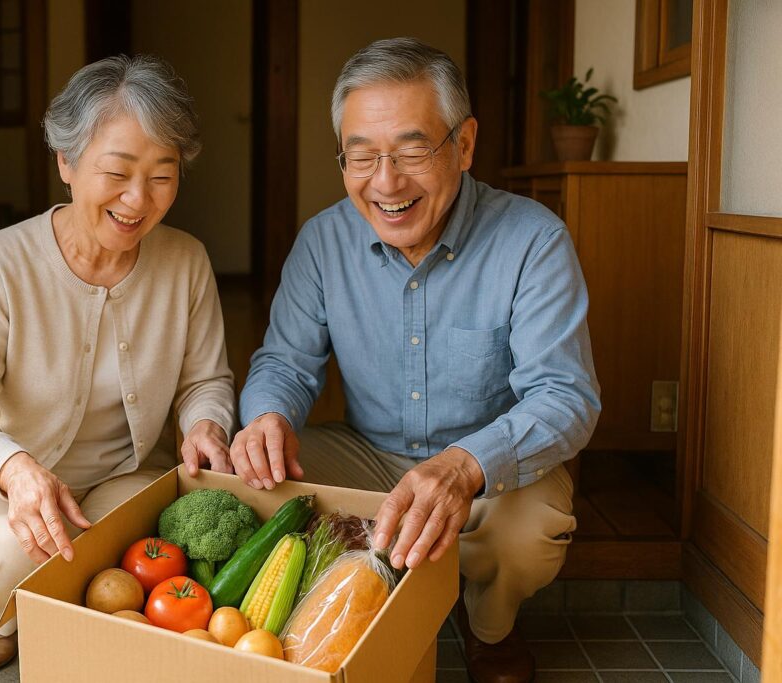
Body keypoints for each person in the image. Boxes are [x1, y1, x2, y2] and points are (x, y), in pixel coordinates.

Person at [231, 38, 600, 682]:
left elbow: (566, 396)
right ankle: (312, 628)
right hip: (366, 450)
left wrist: (463, 466)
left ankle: (489, 627)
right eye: (362, 156)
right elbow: (286, 363)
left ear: (464, 144)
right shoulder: (323, 240)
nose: (386, 182)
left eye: (411, 150)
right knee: (251, 484)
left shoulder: (533, 239)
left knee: (530, 531)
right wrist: (266, 416)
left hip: (483, 465)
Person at [0, 55, 235, 671]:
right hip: (0, 482)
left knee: (170, 545)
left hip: (121, 476)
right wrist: (15, 469)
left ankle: (55, 614)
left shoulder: (187, 261)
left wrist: (207, 425)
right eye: (117, 172)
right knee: (9, 555)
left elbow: (207, 380)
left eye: (162, 176)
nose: (137, 199)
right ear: (66, 162)